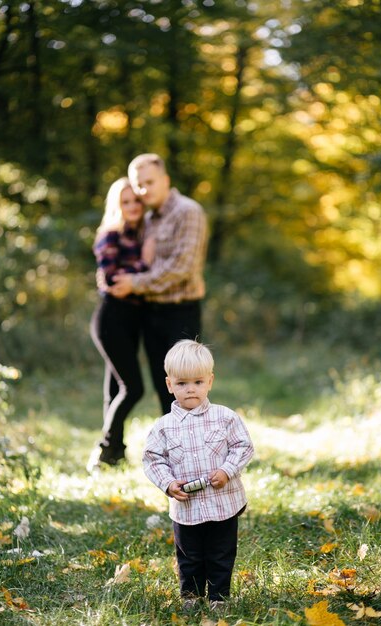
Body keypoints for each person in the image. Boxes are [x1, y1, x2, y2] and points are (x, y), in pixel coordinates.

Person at [142, 340, 254, 611]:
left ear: (210, 382)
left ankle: (219, 598)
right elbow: (152, 459)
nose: (190, 389)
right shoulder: (164, 427)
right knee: (189, 556)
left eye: (198, 382)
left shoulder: (225, 418)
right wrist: (168, 484)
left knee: (220, 553)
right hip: (186, 508)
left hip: (223, 503)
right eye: (182, 384)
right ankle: (191, 597)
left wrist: (227, 471)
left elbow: (243, 446)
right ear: (169, 385)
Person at [110, 154, 208, 414]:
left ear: (165, 180)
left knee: (189, 389)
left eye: (150, 182)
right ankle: (174, 451)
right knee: (165, 387)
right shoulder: (148, 220)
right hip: (151, 314)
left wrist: (135, 283)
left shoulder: (188, 212)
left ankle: (195, 451)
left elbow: (182, 268)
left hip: (180, 313)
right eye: (139, 184)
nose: (144, 190)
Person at [87, 177, 153, 472]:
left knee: (115, 390)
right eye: (125, 202)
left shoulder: (141, 235)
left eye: (136, 200)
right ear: (117, 206)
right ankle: (103, 450)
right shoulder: (109, 235)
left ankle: (116, 453)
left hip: (132, 321)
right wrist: (146, 264)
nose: (132, 206)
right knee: (134, 388)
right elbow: (113, 280)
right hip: (111, 318)